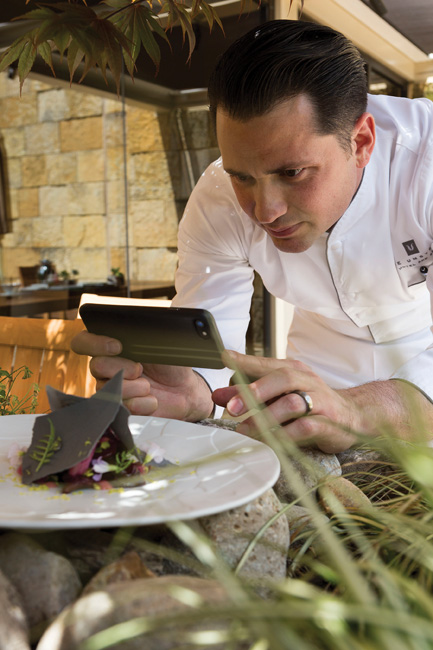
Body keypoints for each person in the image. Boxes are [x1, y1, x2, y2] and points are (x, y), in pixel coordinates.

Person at [72, 19, 433, 453]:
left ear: (360, 142)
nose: (266, 211)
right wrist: (194, 390)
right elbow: (209, 337)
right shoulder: (218, 198)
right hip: (316, 373)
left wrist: (359, 410)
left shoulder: (424, 164)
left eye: (292, 173)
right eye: (242, 176)